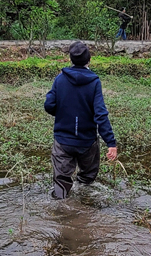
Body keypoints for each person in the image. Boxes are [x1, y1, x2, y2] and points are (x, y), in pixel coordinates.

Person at [44, 40, 118, 199]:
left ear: (70, 59)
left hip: (63, 141)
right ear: (89, 60)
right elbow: (100, 114)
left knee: (61, 185)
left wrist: (64, 113)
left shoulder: (60, 79)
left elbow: (49, 105)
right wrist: (111, 142)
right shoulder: (94, 82)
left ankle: (60, 213)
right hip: (87, 142)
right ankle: (84, 208)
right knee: (86, 182)